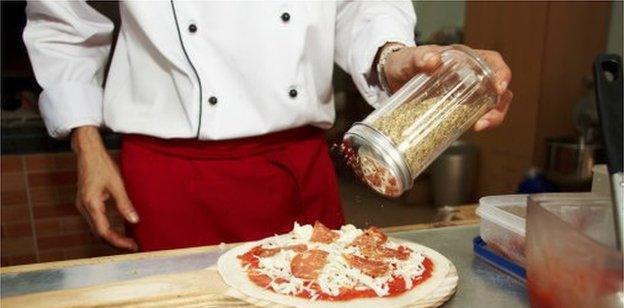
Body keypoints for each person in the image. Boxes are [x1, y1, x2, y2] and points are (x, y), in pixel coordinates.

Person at [23, 1, 512, 252]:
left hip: (296, 166)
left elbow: (361, 5)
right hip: (169, 175)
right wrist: (84, 138)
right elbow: (63, 17)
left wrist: (394, 56)